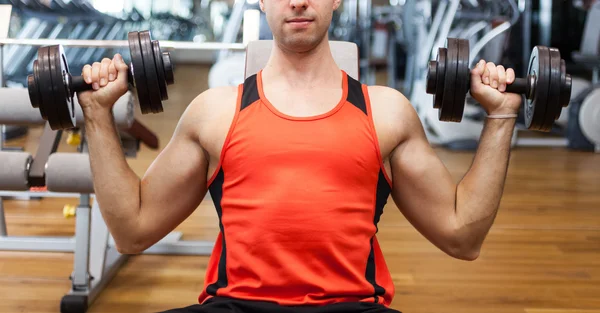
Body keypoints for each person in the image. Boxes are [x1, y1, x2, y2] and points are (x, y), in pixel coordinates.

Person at [77, 0, 521, 312]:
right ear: (262, 2)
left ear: (336, 1)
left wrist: (501, 117)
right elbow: (132, 231)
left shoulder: (386, 113)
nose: (298, 2)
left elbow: (462, 236)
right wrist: (97, 113)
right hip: (236, 307)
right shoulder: (214, 113)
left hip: (352, 307)